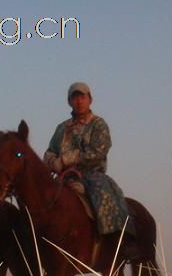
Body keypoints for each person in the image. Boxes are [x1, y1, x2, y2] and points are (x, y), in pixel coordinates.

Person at [43, 82, 132, 240]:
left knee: (106, 195)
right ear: (69, 102)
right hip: (64, 177)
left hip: (91, 175)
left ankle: (120, 239)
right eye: (75, 98)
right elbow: (50, 151)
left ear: (90, 99)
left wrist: (67, 159)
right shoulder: (62, 128)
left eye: (82, 97)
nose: (79, 101)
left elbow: (99, 151)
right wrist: (52, 162)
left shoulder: (98, 124)